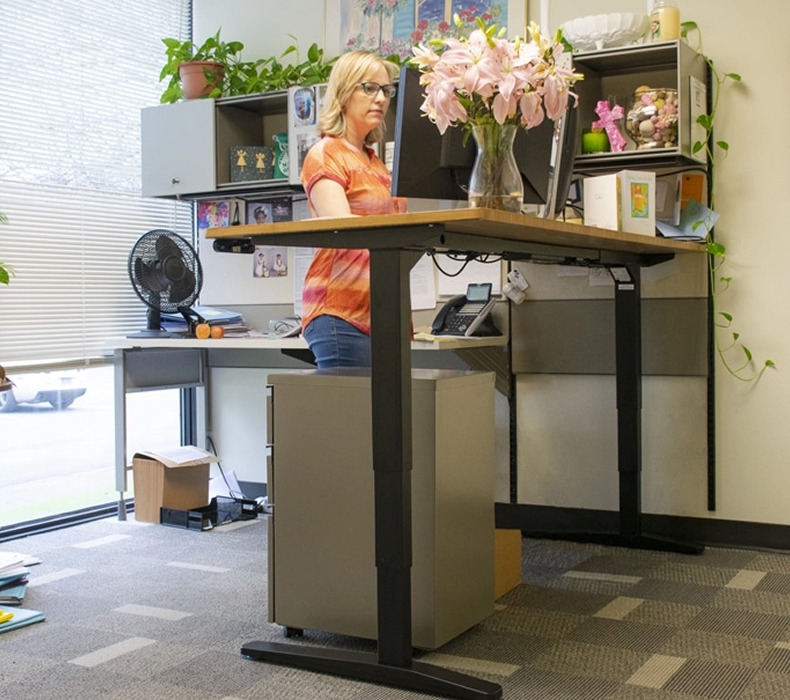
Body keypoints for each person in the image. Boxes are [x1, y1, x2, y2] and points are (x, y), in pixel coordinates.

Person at [299, 50, 403, 368]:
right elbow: (343, 229)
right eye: (369, 88)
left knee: (384, 417)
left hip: (381, 313)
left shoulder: (375, 163)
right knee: (355, 417)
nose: (381, 98)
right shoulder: (326, 153)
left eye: (386, 90)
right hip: (341, 311)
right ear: (345, 92)